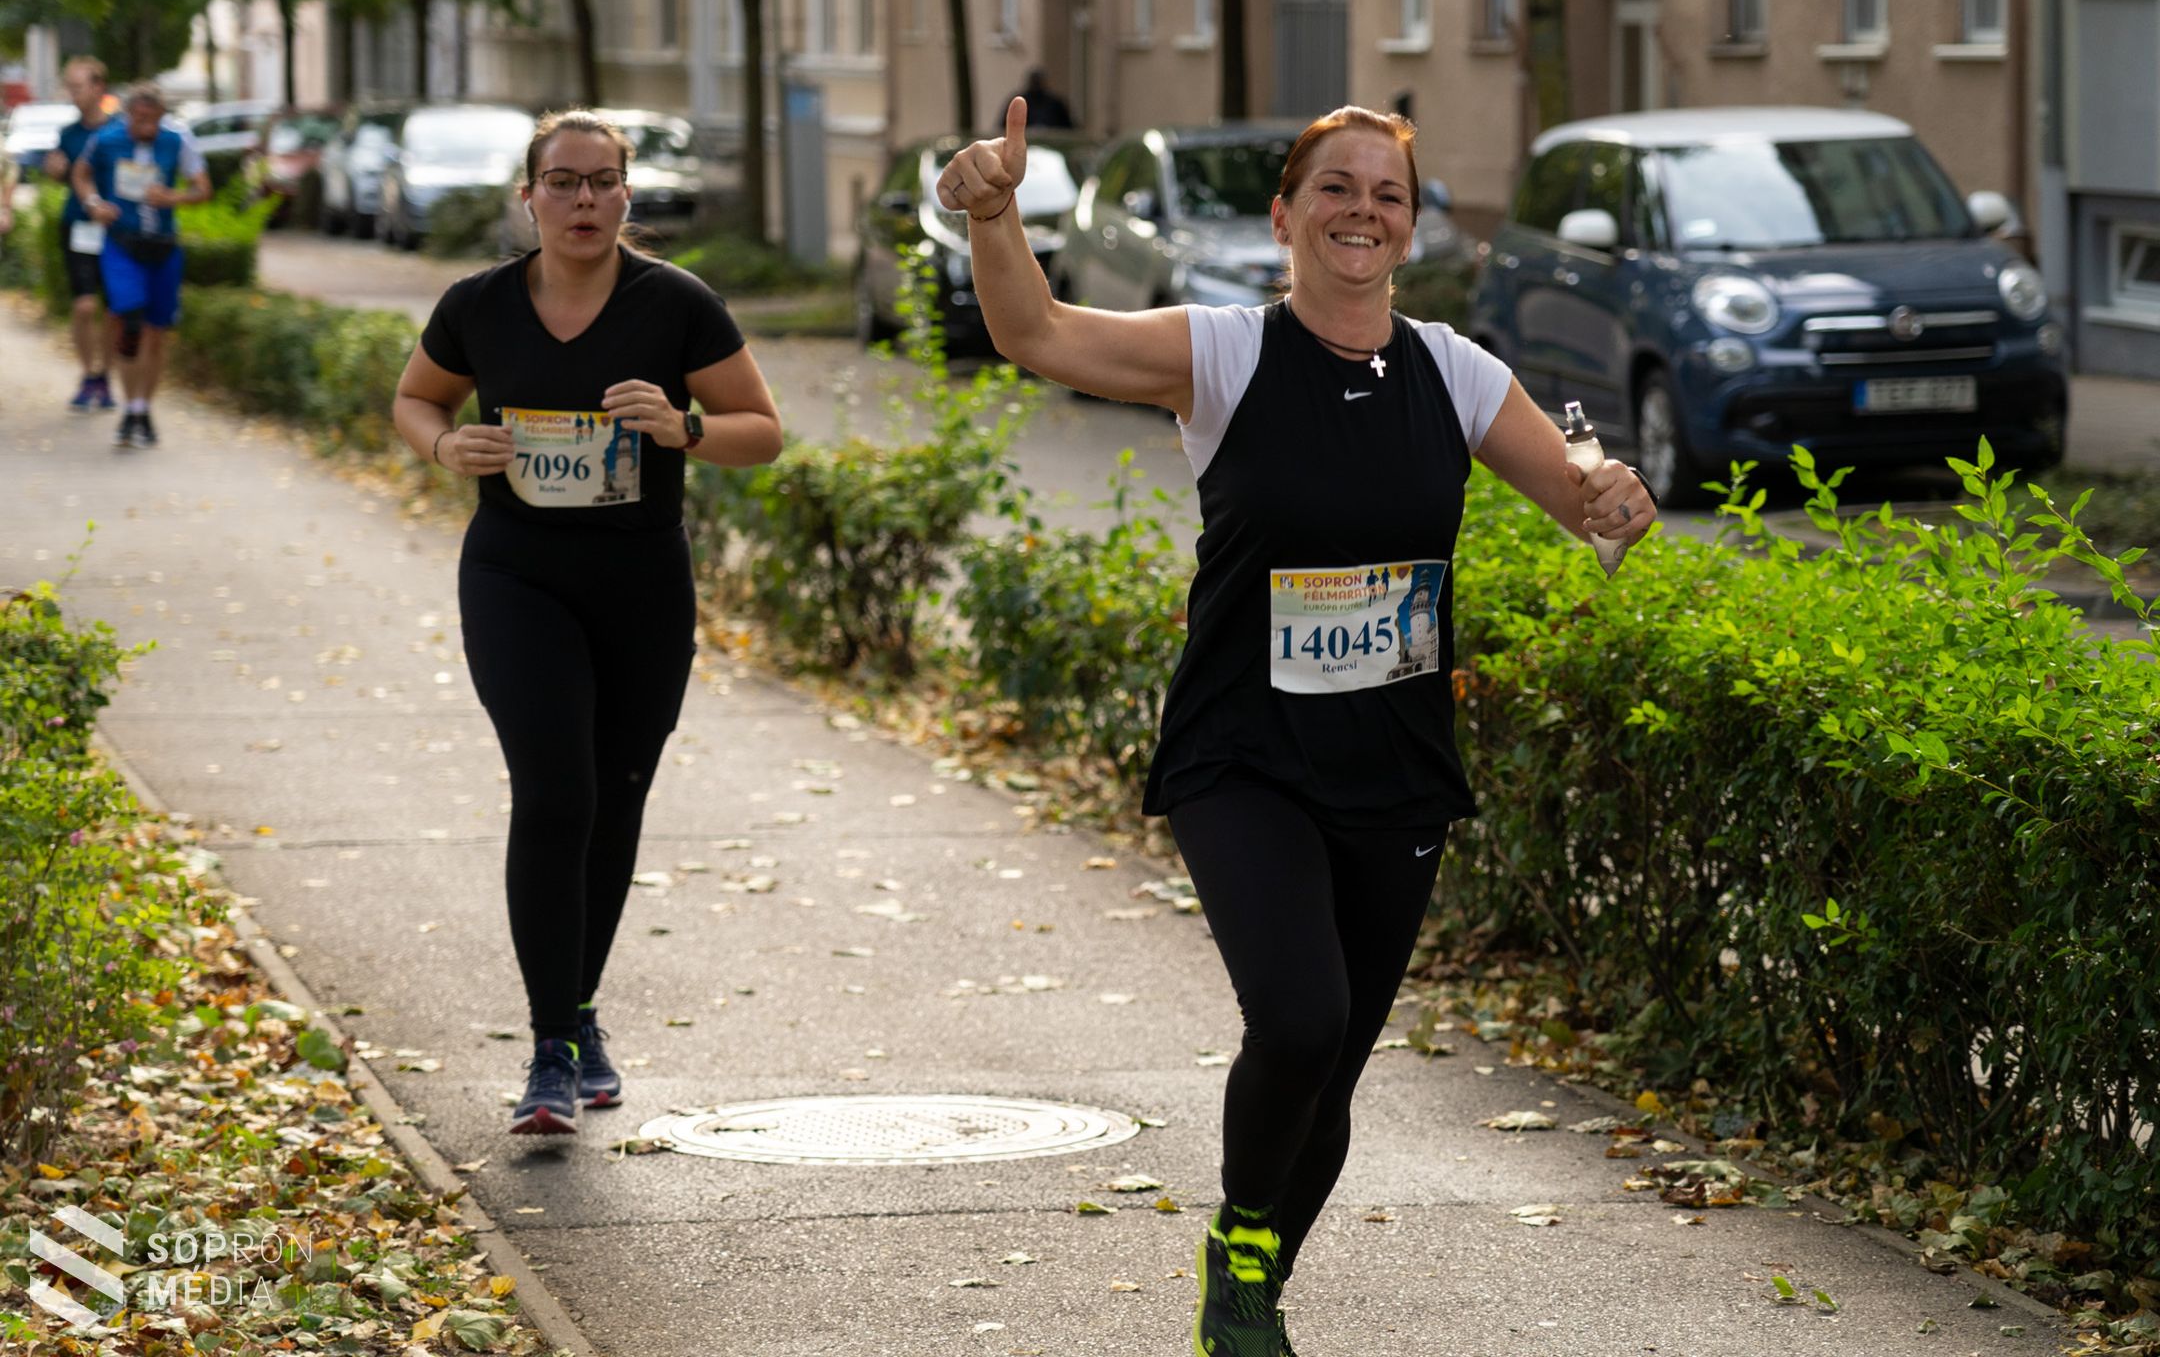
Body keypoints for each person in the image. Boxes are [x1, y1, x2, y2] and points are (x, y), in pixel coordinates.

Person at [938, 98, 1655, 1356]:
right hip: (1243, 750)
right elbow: (1035, 333)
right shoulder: (1223, 353)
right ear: (1285, 215)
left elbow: (1583, 509)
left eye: (1388, 193)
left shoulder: (1458, 371)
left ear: (1415, 228)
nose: (1362, 211)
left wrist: (1615, 501)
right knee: (1300, 1018)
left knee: (1336, 1065)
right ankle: (1246, 1264)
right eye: (1336, 188)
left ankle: (1247, 1272)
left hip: (1396, 763)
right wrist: (995, 213)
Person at [391, 110, 783, 1136]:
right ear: (528, 197)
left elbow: (763, 433)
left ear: (627, 197)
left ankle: (578, 1014)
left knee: (614, 800)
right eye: (563, 183)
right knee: (554, 791)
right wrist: (444, 449)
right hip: (518, 576)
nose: (585, 202)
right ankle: (551, 1048)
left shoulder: (676, 305)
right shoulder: (479, 306)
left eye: (605, 182)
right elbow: (415, 400)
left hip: (641, 584)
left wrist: (684, 428)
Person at [72, 81, 209, 448]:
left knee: (156, 334)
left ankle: (139, 409)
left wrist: (173, 197)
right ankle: (129, 401)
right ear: (128, 114)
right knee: (129, 320)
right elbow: (80, 174)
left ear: (163, 117)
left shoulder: (178, 139)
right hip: (122, 244)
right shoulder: (107, 138)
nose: (147, 127)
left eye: (154, 119)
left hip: (163, 246)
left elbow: (202, 188)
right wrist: (95, 204)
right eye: (140, 119)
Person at [46, 56, 118, 413]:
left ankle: (105, 375)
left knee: (114, 310)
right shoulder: (68, 134)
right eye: (69, 87)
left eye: (78, 86)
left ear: (98, 87)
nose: (72, 94)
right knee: (85, 304)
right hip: (77, 226)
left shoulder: (119, 131)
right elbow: (59, 172)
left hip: (116, 229)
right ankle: (89, 374)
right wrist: (55, 170)